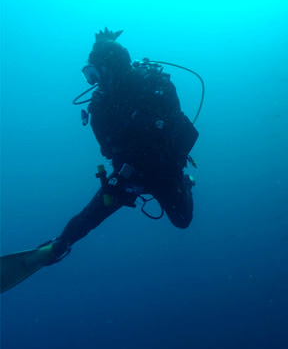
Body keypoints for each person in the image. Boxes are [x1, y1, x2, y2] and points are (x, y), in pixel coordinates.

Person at [43, 27, 199, 264]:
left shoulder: (155, 86)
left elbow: (177, 127)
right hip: (126, 172)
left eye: (97, 73)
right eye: (90, 75)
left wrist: (142, 125)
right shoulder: (101, 103)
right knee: (90, 216)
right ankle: (58, 245)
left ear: (113, 67)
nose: (95, 81)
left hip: (163, 171)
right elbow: (106, 148)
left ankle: (185, 184)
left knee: (182, 221)